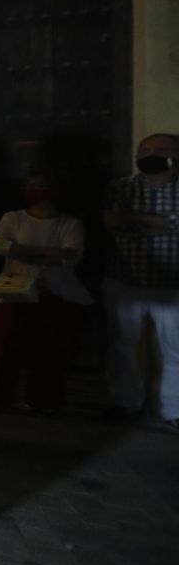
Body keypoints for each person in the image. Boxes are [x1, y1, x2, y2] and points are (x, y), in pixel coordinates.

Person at [0, 173, 92, 414]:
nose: (35, 190)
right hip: (15, 290)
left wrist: (23, 251)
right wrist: (49, 252)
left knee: (50, 347)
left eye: (41, 186)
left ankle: (44, 400)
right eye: (31, 186)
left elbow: (71, 255)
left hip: (56, 292)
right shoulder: (14, 218)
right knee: (4, 344)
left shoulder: (70, 224)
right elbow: (0, 245)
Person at [102, 133, 179, 426]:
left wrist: (133, 218)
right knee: (122, 344)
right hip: (125, 280)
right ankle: (124, 403)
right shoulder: (120, 187)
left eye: (161, 149)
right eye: (145, 149)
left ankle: (175, 409)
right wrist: (165, 223)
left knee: (176, 348)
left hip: (173, 282)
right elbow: (111, 223)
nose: (151, 154)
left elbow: (124, 221)